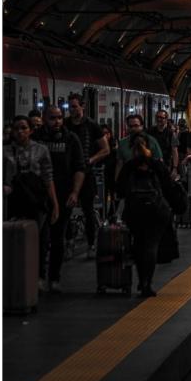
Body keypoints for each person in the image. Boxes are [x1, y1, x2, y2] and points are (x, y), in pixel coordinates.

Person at [32, 105, 85, 293]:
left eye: (60, 118)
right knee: (40, 238)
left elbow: (79, 167)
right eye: (53, 118)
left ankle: (54, 277)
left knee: (57, 239)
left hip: (63, 195)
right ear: (44, 118)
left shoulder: (71, 139)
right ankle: (38, 277)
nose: (57, 122)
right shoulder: (36, 138)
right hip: (38, 196)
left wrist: (75, 192)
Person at [116, 134, 171, 298]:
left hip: (134, 211)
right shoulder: (156, 165)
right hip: (156, 210)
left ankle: (141, 280)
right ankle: (147, 282)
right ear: (150, 147)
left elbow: (119, 189)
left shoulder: (129, 166)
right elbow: (168, 186)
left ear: (131, 149)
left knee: (139, 244)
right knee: (151, 245)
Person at [66, 93, 110, 259]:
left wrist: (91, 160)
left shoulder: (92, 126)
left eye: (75, 106)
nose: (72, 110)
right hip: (68, 174)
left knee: (88, 210)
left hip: (87, 174)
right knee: (66, 210)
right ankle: (69, 241)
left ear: (82, 106)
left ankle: (91, 244)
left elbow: (105, 149)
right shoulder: (65, 125)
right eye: (70, 107)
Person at [3, 115, 60, 231]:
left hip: (36, 201)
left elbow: (48, 178)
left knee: (36, 238)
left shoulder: (41, 149)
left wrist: (55, 204)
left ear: (31, 130)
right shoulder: (5, 151)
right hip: (13, 202)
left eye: (24, 128)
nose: (20, 132)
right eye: (16, 129)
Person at [115, 114, 164, 181]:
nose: (133, 129)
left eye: (136, 126)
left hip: (149, 179)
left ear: (141, 126)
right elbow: (119, 164)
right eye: (130, 126)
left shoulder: (151, 141)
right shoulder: (123, 143)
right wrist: (117, 181)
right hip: (129, 179)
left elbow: (159, 161)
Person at [147, 109, 179, 177]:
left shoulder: (171, 134)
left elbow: (174, 151)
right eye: (157, 117)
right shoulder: (149, 132)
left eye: (161, 117)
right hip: (151, 164)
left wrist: (175, 168)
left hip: (165, 165)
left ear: (166, 119)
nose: (159, 119)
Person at [100, 124, 118, 217]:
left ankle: (112, 214)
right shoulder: (97, 146)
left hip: (112, 174)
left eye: (107, 133)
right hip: (102, 174)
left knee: (113, 195)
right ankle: (102, 215)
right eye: (103, 133)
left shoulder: (114, 146)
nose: (105, 135)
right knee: (101, 195)